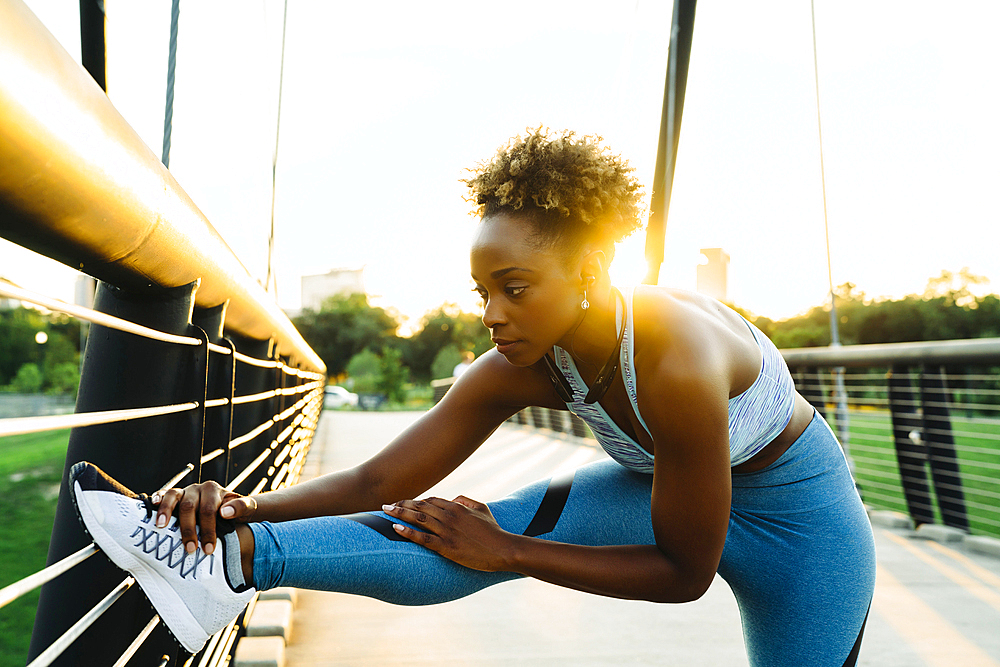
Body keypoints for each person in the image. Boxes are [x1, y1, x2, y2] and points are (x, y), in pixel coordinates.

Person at [71, 128, 876, 665]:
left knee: (492, 538)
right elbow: (373, 483)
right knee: (452, 527)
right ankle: (224, 562)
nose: (493, 313)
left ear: (590, 275)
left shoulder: (677, 360)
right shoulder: (516, 363)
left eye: (515, 287)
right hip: (661, 495)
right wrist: (240, 508)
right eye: (483, 289)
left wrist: (513, 554)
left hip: (804, 529)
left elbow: (684, 571)